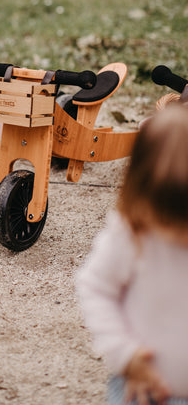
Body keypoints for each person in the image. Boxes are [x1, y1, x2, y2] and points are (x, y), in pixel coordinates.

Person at [76, 103, 188, 405]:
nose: (180, 234)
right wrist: (124, 353)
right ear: (141, 193)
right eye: (169, 218)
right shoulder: (131, 233)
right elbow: (95, 288)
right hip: (143, 390)